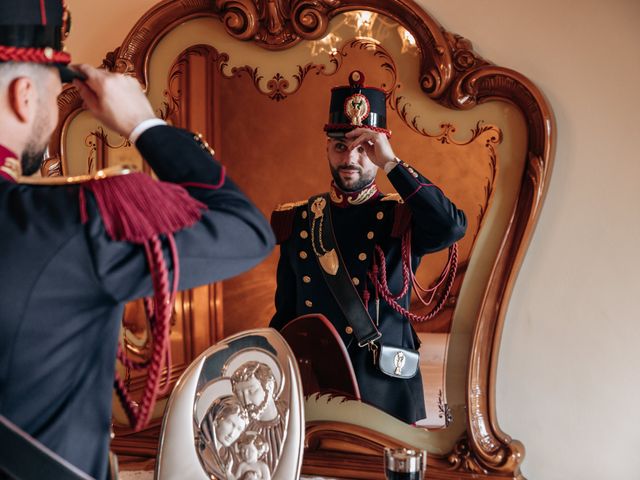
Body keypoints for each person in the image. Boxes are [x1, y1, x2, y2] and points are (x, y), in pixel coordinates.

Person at [0, 1, 274, 479]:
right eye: (52, 88)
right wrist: (142, 123)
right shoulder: (74, 222)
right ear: (24, 95)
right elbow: (247, 231)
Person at [269, 70, 467, 424]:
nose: (350, 159)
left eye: (364, 148)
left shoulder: (401, 217)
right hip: (314, 388)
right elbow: (285, 316)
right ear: (326, 147)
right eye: (341, 146)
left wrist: (391, 163)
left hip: (384, 388)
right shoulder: (298, 220)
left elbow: (451, 226)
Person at [230, 362, 286, 471]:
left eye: (252, 391)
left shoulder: (289, 418)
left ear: (269, 386)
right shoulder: (240, 427)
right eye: (240, 394)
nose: (246, 401)